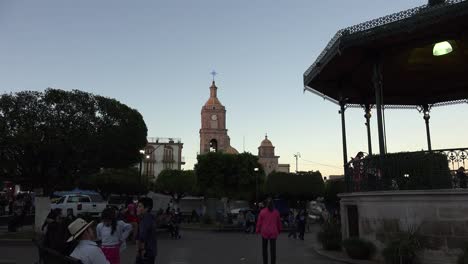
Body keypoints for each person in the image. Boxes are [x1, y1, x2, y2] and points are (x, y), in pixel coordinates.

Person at [256, 198, 281, 264]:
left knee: (264, 249)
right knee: (273, 250)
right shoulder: (276, 212)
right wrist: (279, 230)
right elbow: (278, 223)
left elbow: (259, 222)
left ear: (265, 204)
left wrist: (257, 230)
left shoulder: (262, 212)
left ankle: (265, 262)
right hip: (273, 232)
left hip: (264, 232)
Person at [136, 197, 157, 264]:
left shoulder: (145, 220)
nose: (137, 209)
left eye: (139, 206)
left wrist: (141, 250)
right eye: (137, 206)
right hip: (151, 251)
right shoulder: (150, 217)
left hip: (146, 253)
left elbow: (142, 237)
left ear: (146, 208)